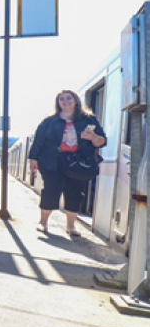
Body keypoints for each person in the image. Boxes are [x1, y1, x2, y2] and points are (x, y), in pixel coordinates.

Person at [28, 90, 106, 236]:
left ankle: (71, 226)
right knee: (51, 190)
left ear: (76, 100)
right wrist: (33, 158)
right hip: (52, 162)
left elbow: (102, 142)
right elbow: (38, 141)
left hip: (78, 163)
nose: (65, 101)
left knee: (75, 193)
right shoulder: (49, 122)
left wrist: (93, 137)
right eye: (61, 99)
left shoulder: (89, 120)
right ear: (58, 103)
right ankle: (43, 222)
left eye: (69, 98)